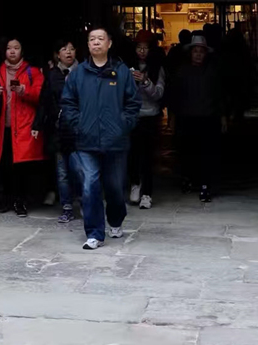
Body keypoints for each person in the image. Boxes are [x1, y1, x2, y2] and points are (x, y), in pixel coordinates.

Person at [61, 27, 141, 250]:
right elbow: (68, 102)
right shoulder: (78, 73)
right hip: (86, 141)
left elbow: (133, 103)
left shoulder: (121, 71)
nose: (96, 42)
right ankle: (95, 233)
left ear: (109, 43)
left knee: (115, 187)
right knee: (90, 185)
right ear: (88, 45)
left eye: (100, 39)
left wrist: (123, 125)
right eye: (92, 39)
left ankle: (115, 220)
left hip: (115, 141)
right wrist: (78, 124)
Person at [0, 38, 45, 217]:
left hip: (22, 126)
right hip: (2, 127)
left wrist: (24, 91)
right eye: (9, 48)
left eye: (16, 48)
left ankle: (20, 201)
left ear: (22, 51)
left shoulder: (32, 71)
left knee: (21, 166)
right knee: (4, 164)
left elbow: (41, 95)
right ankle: (6, 198)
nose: (12, 51)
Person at [170, 32, 223, 202]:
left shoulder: (213, 72)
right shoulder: (182, 72)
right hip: (187, 118)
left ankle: (205, 185)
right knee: (187, 152)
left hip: (208, 118)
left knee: (206, 153)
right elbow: (175, 96)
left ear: (206, 53)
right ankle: (188, 179)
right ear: (190, 53)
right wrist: (173, 116)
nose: (198, 54)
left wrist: (222, 116)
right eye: (195, 51)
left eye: (201, 51)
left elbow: (219, 96)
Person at [32, 39, 80, 223]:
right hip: (58, 131)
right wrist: (37, 124)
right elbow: (44, 101)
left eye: (72, 48)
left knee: (81, 170)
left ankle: (85, 203)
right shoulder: (52, 75)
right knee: (62, 172)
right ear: (57, 54)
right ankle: (67, 207)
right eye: (64, 49)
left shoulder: (83, 72)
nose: (68, 52)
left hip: (79, 130)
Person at [129, 30, 165, 209]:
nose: (142, 51)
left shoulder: (157, 68)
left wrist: (145, 82)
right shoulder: (127, 67)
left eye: (145, 48)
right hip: (132, 116)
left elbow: (159, 94)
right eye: (139, 47)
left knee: (148, 157)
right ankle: (135, 184)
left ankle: (147, 194)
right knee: (132, 154)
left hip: (150, 116)